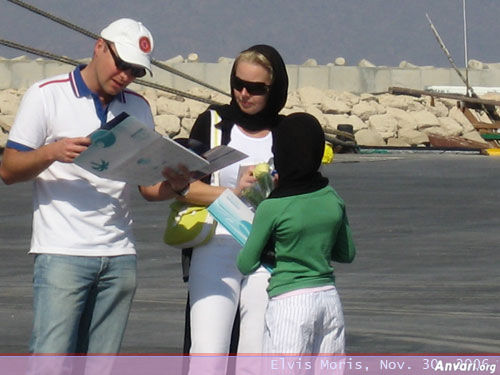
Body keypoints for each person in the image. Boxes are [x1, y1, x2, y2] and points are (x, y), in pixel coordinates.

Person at [0, 18, 190, 354]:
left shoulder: (139, 107)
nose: (126, 76)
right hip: (62, 253)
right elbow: (9, 170)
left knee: (102, 365)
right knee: (50, 359)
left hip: (120, 256)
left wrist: (176, 185)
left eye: (135, 71)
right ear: (99, 47)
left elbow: (147, 189)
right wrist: (52, 152)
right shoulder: (47, 95)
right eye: (122, 65)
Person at [178, 44, 288, 372]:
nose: (243, 93)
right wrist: (231, 192)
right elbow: (184, 188)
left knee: (257, 354)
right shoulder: (213, 124)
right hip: (216, 244)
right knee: (207, 352)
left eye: (255, 88)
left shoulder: (285, 133)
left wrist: (274, 186)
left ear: (275, 88)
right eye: (237, 84)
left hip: (266, 252)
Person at [237, 112, 356, 354]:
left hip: (290, 300)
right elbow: (346, 253)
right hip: (328, 299)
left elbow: (245, 263)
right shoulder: (332, 198)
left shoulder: (272, 207)